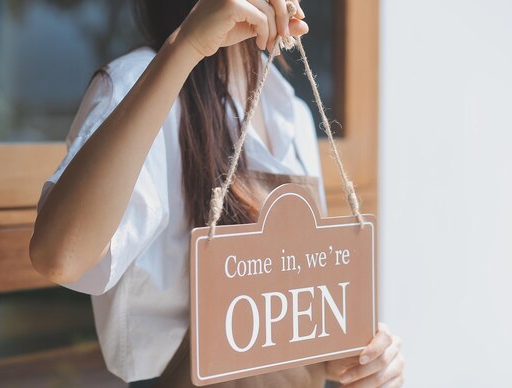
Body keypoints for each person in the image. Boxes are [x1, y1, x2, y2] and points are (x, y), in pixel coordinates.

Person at [29, 0, 405, 386]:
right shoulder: (137, 84)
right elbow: (61, 256)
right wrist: (188, 45)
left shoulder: (291, 112)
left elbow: (293, 311)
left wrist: (354, 357)